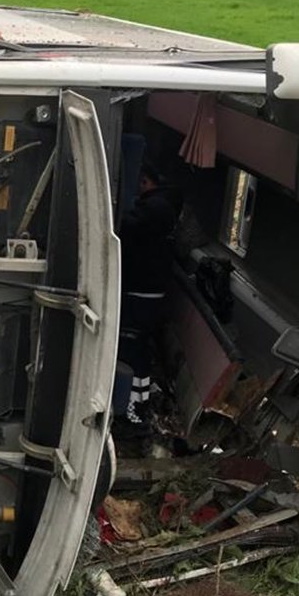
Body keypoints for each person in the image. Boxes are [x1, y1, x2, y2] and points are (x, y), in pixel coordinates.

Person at [117, 161, 181, 430]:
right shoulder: (163, 205)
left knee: (132, 344)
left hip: (142, 291)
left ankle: (134, 410)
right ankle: (135, 405)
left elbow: (127, 228)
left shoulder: (155, 209)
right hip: (148, 289)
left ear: (146, 182)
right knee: (136, 344)